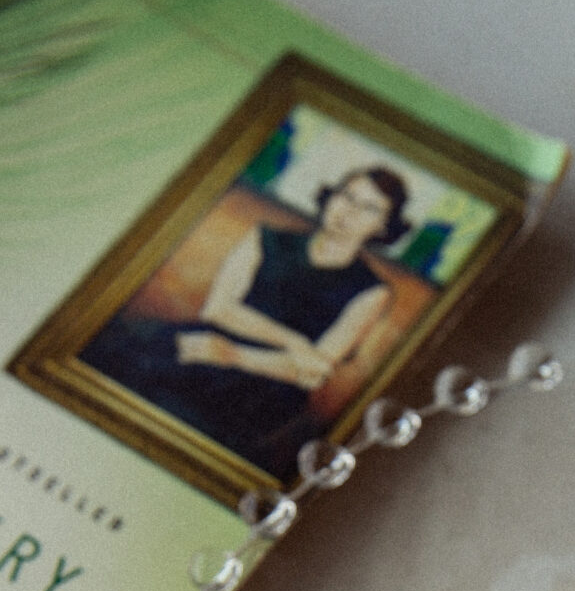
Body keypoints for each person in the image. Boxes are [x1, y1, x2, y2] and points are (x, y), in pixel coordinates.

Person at [82, 166, 409, 476]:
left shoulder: (371, 291)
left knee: (181, 415)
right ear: (331, 196)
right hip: (208, 340)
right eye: (347, 196)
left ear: (383, 227)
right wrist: (294, 341)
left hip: (268, 381)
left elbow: (314, 369)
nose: (349, 212)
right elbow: (218, 309)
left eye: (369, 208)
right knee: (111, 356)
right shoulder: (266, 237)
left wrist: (232, 355)